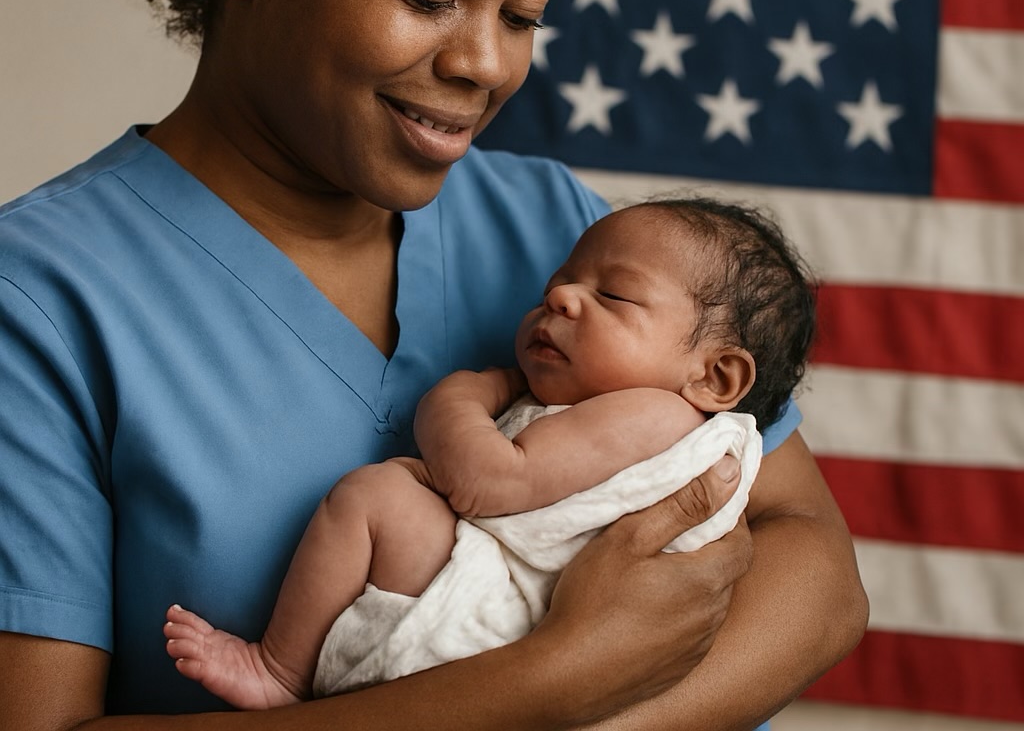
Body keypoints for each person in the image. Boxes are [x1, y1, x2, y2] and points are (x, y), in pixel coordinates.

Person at [0, 0, 867, 729]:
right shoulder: (41, 301)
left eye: (522, 15)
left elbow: (817, 568)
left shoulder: (567, 231)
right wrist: (557, 678)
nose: (485, 64)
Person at [163, 195, 813, 708]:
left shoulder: (657, 414)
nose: (559, 297)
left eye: (612, 295)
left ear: (716, 379)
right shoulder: (628, 406)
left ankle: (280, 668)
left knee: (377, 496)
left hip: (504, 616)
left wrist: (457, 398)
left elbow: (489, 485)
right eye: (558, 284)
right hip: (522, 629)